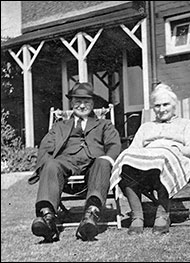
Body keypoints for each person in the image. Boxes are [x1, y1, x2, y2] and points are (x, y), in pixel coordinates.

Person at [28, 82, 121, 241]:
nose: (82, 105)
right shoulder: (60, 125)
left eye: (86, 102)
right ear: (71, 103)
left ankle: (90, 216)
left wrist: (108, 157)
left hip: (94, 164)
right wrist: (46, 166)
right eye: (78, 101)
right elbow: (45, 146)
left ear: (93, 103)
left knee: (103, 162)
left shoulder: (104, 124)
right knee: (50, 163)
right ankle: (47, 218)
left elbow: (114, 144)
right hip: (66, 163)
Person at [110, 83, 190, 235]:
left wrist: (176, 149)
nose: (161, 109)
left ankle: (162, 214)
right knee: (124, 159)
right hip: (147, 164)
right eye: (157, 106)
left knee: (162, 159)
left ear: (174, 105)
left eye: (166, 104)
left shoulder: (185, 124)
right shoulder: (146, 126)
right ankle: (137, 216)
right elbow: (134, 149)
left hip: (173, 160)